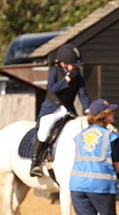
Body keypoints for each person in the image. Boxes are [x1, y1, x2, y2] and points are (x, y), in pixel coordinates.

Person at [68, 99, 119, 215]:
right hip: (101, 185)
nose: (113, 114)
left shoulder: (79, 136)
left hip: (77, 185)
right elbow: (117, 164)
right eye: (110, 112)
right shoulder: (111, 137)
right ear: (103, 116)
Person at [30, 43, 91, 177]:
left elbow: (83, 95)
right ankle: (35, 163)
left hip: (68, 109)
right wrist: (68, 79)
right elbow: (52, 89)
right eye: (72, 64)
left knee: (80, 128)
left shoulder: (78, 76)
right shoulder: (54, 71)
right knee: (44, 131)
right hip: (52, 108)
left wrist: (88, 109)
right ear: (64, 63)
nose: (75, 67)